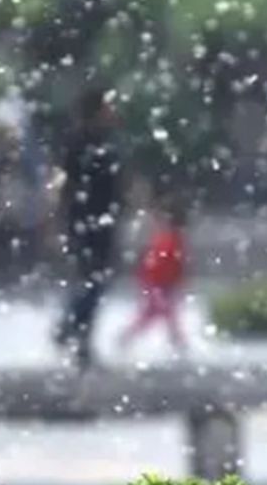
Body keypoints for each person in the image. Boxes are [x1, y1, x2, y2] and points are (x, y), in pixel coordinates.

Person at [53, 85, 123, 370]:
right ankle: (73, 333)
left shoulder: (102, 141)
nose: (112, 112)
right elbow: (65, 185)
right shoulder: (80, 142)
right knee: (92, 282)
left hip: (98, 222)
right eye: (108, 107)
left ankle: (74, 333)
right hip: (85, 222)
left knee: (93, 282)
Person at [117, 195, 188, 356]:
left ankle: (127, 338)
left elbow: (169, 264)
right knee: (163, 315)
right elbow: (163, 264)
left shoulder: (167, 238)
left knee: (157, 315)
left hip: (160, 284)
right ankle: (177, 341)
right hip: (159, 285)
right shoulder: (168, 239)